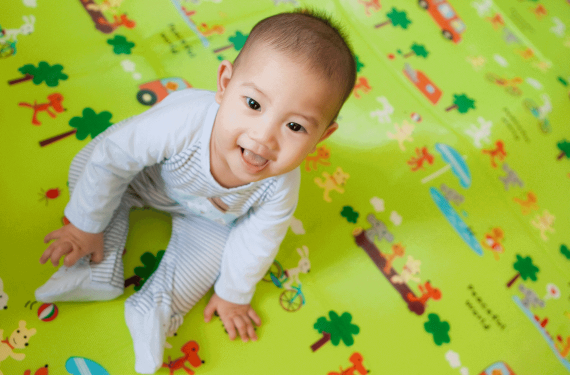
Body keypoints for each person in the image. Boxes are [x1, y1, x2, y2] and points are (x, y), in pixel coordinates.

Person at [34, 8, 356, 374]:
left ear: (322, 136)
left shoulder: (280, 185)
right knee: (91, 162)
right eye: (253, 104)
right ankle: (99, 268)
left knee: (213, 256)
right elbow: (118, 156)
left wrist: (233, 295)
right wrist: (84, 226)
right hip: (147, 179)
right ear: (224, 84)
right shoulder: (184, 121)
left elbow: (258, 240)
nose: (264, 137)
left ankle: (154, 308)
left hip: (210, 218)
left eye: (295, 127)